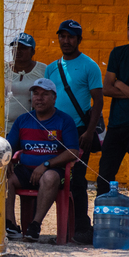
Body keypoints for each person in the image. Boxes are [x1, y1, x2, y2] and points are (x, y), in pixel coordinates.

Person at [43, 19, 103, 244]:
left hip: (79, 131)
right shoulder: (51, 68)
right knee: (53, 178)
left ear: (79, 39)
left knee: (77, 179)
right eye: (62, 36)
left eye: (70, 37)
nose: (65, 41)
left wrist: (89, 132)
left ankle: (81, 228)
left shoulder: (89, 66)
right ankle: (60, 228)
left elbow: (97, 101)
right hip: (54, 131)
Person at [5, 78, 80, 242]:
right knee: (3, 175)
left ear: (54, 98)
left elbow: (73, 152)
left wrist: (46, 165)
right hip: (25, 171)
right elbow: (9, 147)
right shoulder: (23, 120)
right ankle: (10, 225)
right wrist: (8, 159)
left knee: (50, 177)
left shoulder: (64, 120)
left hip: (53, 172)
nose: (39, 98)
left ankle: (34, 226)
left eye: (44, 94)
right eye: (36, 94)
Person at [97, 11, 129, 229]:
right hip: (116, 125)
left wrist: (119, 84)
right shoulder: (118, 53)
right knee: (104, 173)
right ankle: (104, 222)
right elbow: (106, 88)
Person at [0, 32, 47, 148]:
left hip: (32, 129)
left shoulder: (43, 70)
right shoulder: (1, 70)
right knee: (3, 163)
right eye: (15, 47)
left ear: (33, 52)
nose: (18, 51)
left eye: (23, 48)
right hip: (3, 130)